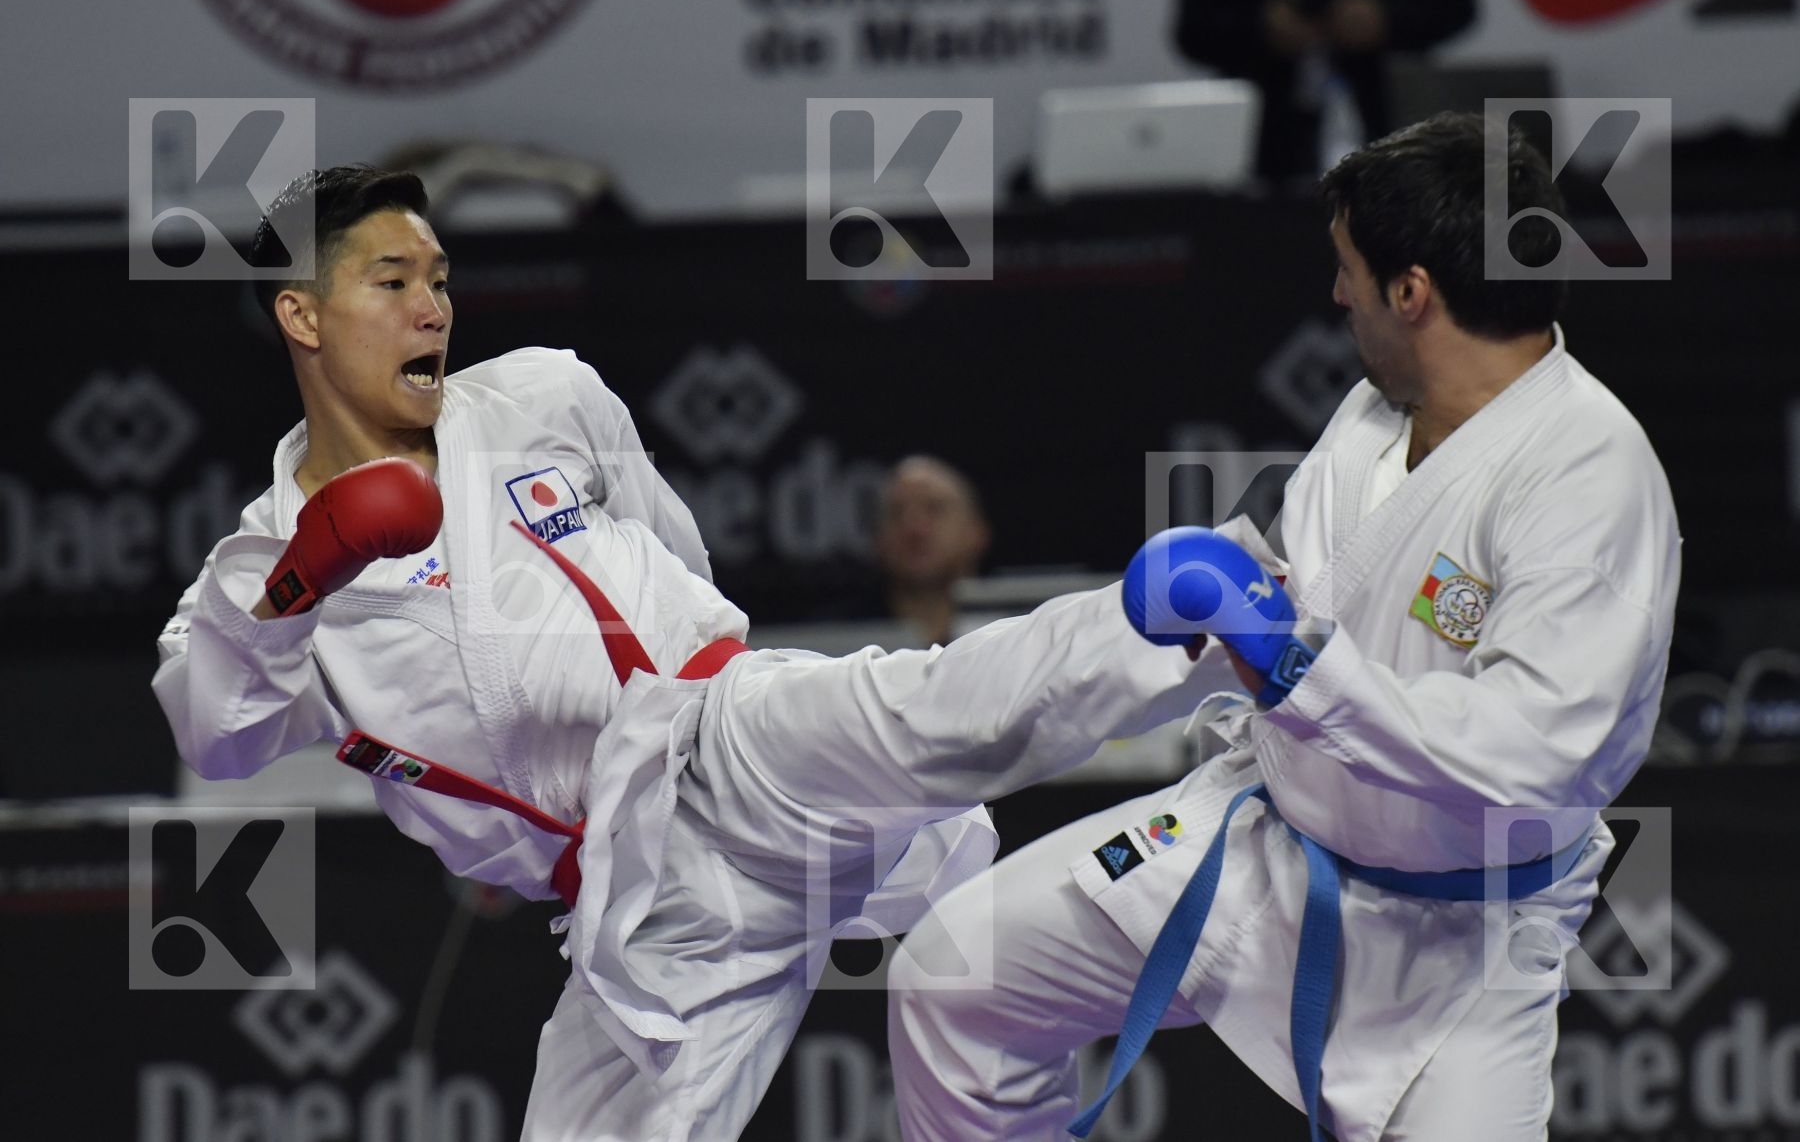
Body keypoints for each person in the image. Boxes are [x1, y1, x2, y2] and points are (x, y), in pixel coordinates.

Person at [151, 165, 1237, 1141]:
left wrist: (701, 680)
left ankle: (1200, 617)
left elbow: (671, 545)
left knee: (934, 711)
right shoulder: (258, 569)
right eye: (392, 282)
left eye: (440, 278)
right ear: (301, 313)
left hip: (724, 743)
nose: (432, 307)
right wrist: (304, 573)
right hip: (636, 908)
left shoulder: (537, 396)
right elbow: (216, 736)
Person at [887, 112, 1681, 1141]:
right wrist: (1209, 607)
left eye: (1350, 269)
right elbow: (1291, 599)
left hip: (1457, 946)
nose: (1338, 294)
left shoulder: (1590, 480)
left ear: (1412, 292)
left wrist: (1295, 668)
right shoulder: (1375, 414)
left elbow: (1526, 753)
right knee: (953, 981)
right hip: (1262, 846)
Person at [1174, 0, 1477, 184]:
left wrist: (1387, 18)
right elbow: (1193, 27)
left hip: (1390, 122)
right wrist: (1259, 27)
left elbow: (1456, 3)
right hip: (1263, 137)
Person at [874, 455, 992, 647]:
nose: (914, 527)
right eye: (897, 513)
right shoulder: (837, 639)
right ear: (878, 539)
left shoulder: (1016, 636)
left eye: (935, 508)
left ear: (976, 532)